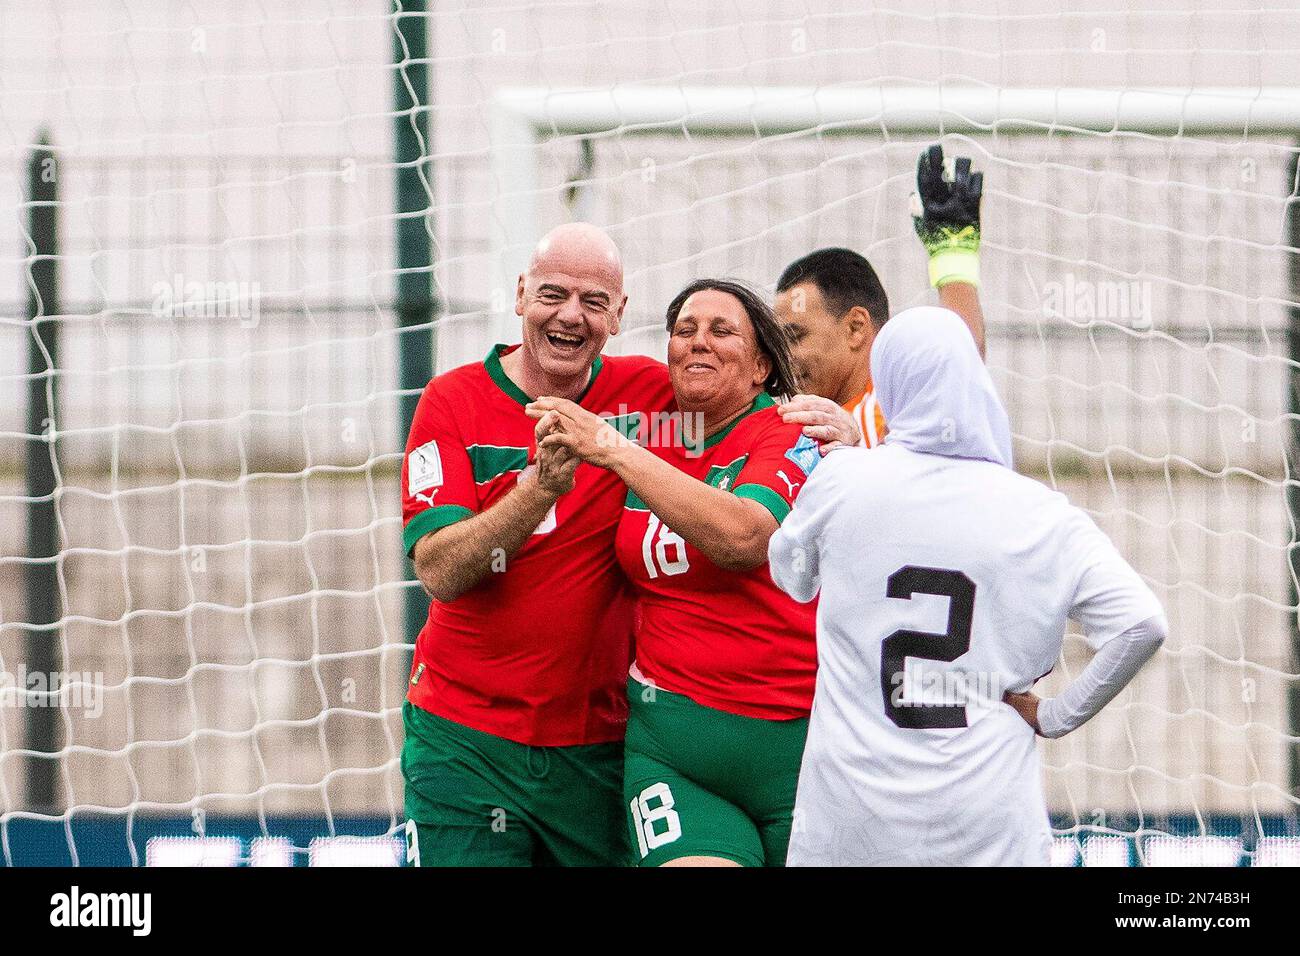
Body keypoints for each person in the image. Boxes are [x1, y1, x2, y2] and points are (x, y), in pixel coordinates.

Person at [400, 225, 857, 866]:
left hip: (599, 745)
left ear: (617, 316)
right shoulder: (452, 401)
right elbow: (440, 571)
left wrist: (841, 424)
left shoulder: (652, 398)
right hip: (465, 740)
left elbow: (742, 408)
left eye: (593, 301)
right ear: (520, 296)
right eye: (552, 294)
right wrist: (539, 490)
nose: (569, 315)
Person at [767, 306, 1167, 866]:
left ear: (890, 387)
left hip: (852, 817)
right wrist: (1055, 716)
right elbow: (1142, 625)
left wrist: (854, 463)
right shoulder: (1043, 515)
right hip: (988, 823)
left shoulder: (845, 479)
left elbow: (791, 576)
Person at [527, 279, 821, 867]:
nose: (697, 343)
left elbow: (745, 538)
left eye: (721, 331)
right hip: (673, 751)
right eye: (683, 331)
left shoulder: (790, 430)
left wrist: (613, 449)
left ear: (762, 364)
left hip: (801, 751)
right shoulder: (655, 431)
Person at [775, 144, 987, 447]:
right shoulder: (801, 422)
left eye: (795, 336)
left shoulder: (896, 413)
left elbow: (957, 357)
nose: (784, 357)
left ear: (856, 328)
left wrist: (953, 257)